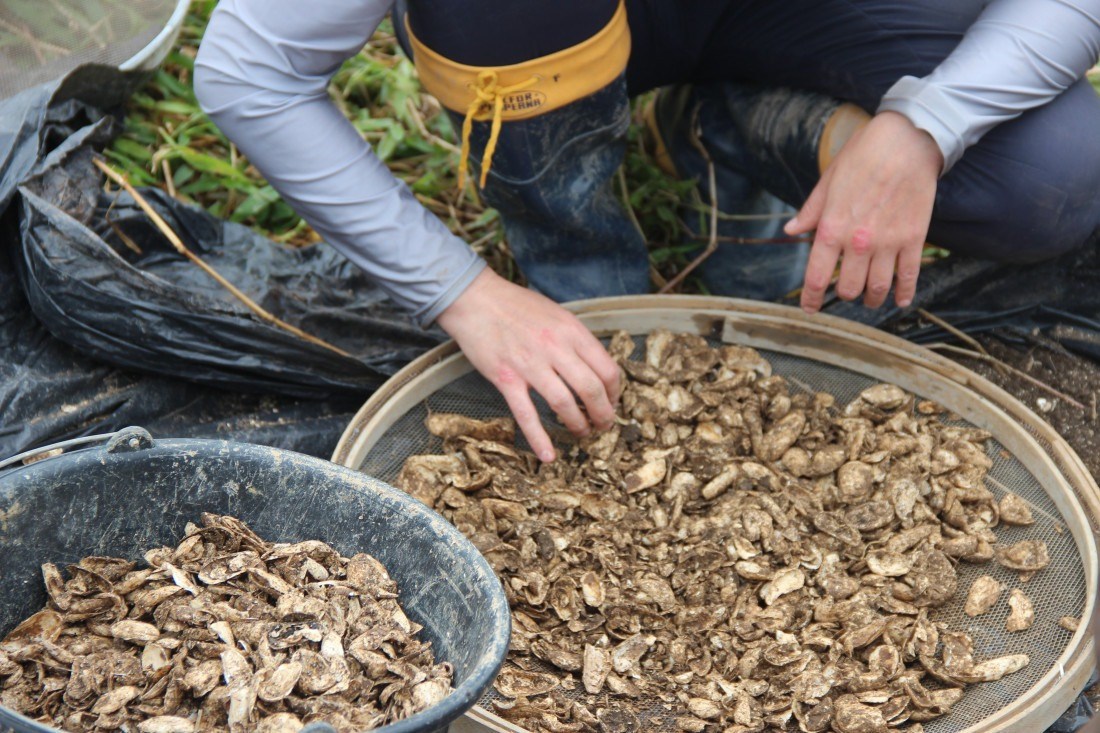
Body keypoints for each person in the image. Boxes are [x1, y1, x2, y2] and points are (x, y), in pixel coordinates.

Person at [194, 0, 1100, 462]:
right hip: (557, 23)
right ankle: (577, 255)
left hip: (798, 17)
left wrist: (926, 127)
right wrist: (464, 294)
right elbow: (248, 69)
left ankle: (729, 128)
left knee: (1050, 176)